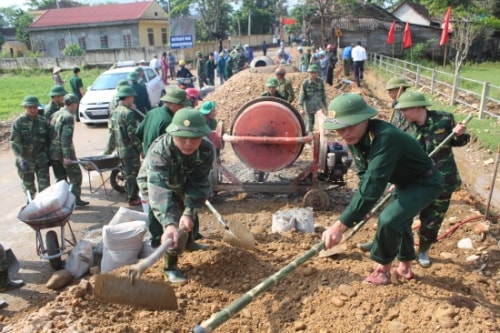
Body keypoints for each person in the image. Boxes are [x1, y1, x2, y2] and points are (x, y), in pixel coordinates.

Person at [321, 93, 444, 285]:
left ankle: (382, 270)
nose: (344, 133)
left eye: (349, 126)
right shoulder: (356, 139)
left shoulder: (385, 137)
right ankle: (404, 267)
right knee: (400, 221)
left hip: (425, 182)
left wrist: (340, 225)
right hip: (404, 182)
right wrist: (364, 207)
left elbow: (373, 184)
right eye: (339, 129)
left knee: (388, 220)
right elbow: (365, 177)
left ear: (365, 119)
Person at [137, 107, 214, 285]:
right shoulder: (160, 151)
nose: (188, 143)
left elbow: (198, 183)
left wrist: (189, 212)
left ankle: (190, 242)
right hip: (155, 184)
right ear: (172, 134)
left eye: (194, 138)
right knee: (173, 221)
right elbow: (159, 189)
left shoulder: (206, 150)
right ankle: (169, 267)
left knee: (188, 214)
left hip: (183, 179)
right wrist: (169, 223)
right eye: (182, 137)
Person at [395, 91, 470, 268]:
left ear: (418, 107)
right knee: (400, 216)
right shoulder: (403, 128)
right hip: (415, 183)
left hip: (443, 180)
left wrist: (459, 134)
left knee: (432, 219)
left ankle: (423, 250)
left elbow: (460, 142)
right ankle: (399, 248)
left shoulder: (444, 119)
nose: (402, 113)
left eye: (405, 109)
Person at [49, 94, 89, 207]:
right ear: (73, 104)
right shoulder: (68, 117)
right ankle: (74, 201)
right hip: (64, 153)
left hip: (54, 153)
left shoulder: (55, 114)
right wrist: (67, 157)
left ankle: (61, 202)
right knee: (76, 177)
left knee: (60, 180)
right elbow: (65, 138)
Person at [10, 96, 50, 200]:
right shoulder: (19, 122)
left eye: (35, 107)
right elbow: (15, 142)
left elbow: (48, 140)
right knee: (29, 187)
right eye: (30, 108)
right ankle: (31, 203)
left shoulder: (43, 122)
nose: (32, 110)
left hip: (41, 159)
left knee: (45, 187)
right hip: (26, 160)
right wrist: (21, 158)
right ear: (25, 108)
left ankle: (44, 207)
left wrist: (49, 156)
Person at [111, 85, 144, 206]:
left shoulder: (116, 111)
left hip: (121, 149)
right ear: (128, 98)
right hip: (130, 150)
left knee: (127, 173)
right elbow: (133, 135)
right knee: (132, 175)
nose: (133, 100)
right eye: (132, 98)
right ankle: (132, 198)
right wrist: (141, 149)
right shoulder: (128, 113)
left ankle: (130, 195)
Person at [136, 87, 190, 154]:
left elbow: (138, 133)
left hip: (148, 154)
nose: (183, 107)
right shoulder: (169, 121)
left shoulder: (152, 112)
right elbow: (171, 147)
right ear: (171, 103)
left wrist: (142, 151)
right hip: (158, 158)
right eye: (181, 105)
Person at [103, 80, 130, 155]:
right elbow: (121, 110)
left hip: (113, 120)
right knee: (114, 140)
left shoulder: (117, 95)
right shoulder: (118, 97)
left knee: (113, 139)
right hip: (116, 121)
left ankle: (107, 154)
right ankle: (104, 157)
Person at [298, 64, 327, 132]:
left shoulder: (320, 82)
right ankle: (308, 140)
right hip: (309, 108)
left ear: (317, 73)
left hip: (318, 107)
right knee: (309, 125)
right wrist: (301, 108)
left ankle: (318, 140)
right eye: (311, 73)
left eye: (314, 73)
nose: (313, 74)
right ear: (309, 73)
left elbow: (323, 95)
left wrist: (326, 106)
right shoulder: (305, 83)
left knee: (320, 126)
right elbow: (301, 96)